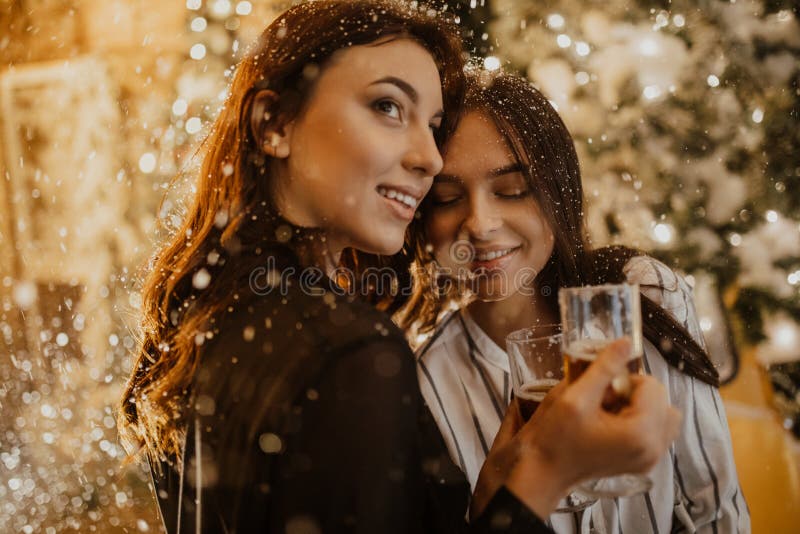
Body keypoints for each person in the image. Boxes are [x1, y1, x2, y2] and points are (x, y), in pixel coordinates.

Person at [118, 2, 680, 532]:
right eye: (388, 107)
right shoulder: (347, 351)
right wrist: (548, 472)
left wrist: (494, 496)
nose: (428, 158)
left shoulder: (209, 310)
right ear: (274, 125)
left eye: (432, 126)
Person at [397, 68, 750, 533]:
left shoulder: (644, 294)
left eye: (512, 191)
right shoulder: (426, 378)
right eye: (446, 198)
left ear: (558, 192)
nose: (480, 223)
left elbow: (715, 510)